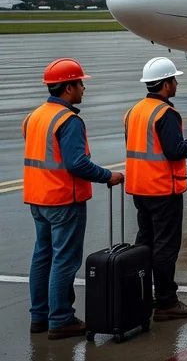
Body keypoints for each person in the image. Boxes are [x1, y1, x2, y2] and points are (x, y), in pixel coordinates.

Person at [25, 59, 122, 340]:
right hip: (63, 199)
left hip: (38, 198)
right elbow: (76, 164)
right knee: (64, 261)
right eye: (80, 83)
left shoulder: (34, 116)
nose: (83, 88)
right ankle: (61, 319)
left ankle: (39, 317)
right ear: (68, 88)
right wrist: (108, 176)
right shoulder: (69, 121)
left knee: (42, 257)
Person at [125, 57, 187, 320]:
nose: (177, 84)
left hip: (140, 189)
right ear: (165, 84)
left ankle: (140, 295)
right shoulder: (165, 114)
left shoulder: (134, 111)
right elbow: (174, 151)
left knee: (144, 244)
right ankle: (167, 302)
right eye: (174, 80)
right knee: (165, 247)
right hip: (162, 190)